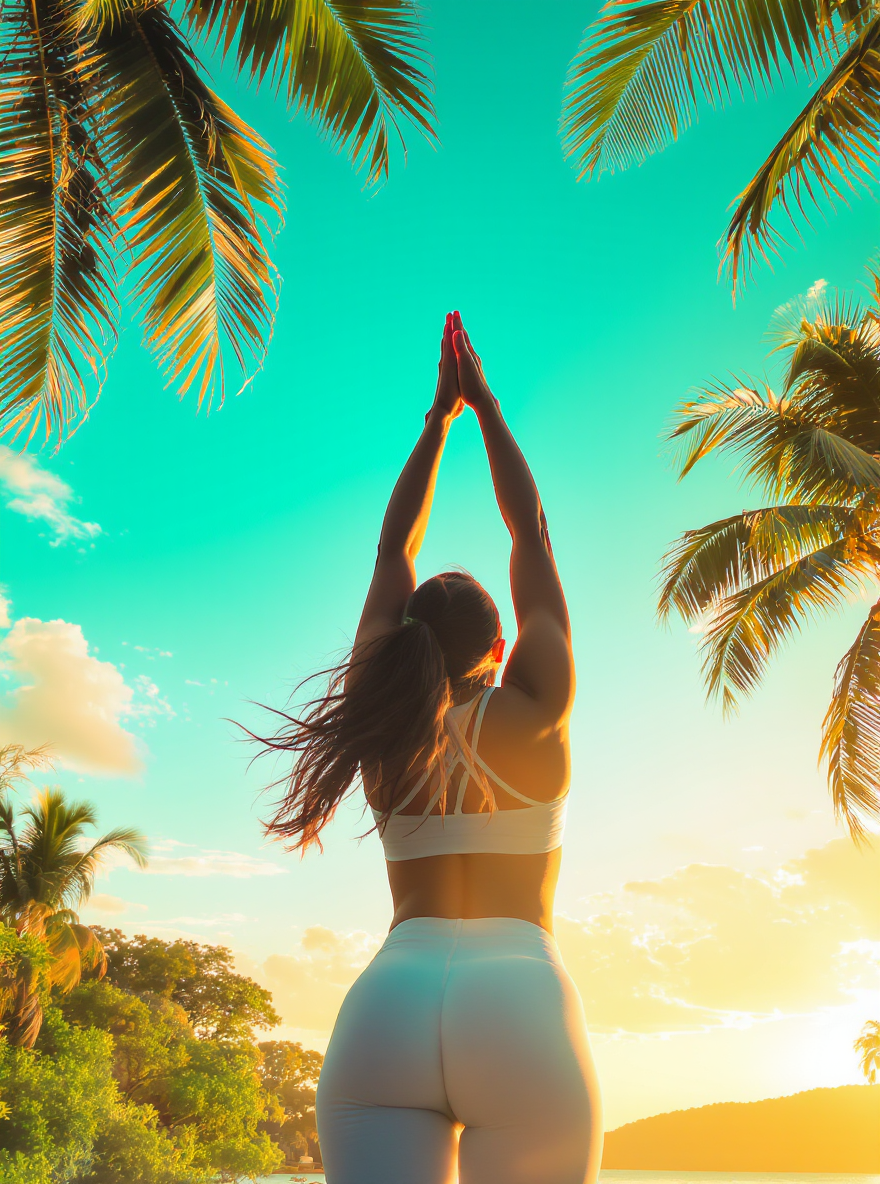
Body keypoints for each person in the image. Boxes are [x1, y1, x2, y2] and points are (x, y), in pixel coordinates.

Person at [257, 312, 602, 1184]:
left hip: (389, 1005)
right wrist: (482, 407)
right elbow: (533, 536)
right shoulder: (538, 711)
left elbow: (390, 549)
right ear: (500, 649)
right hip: (520, 998)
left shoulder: (384, 722)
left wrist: (434, 422)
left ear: (408, 638)